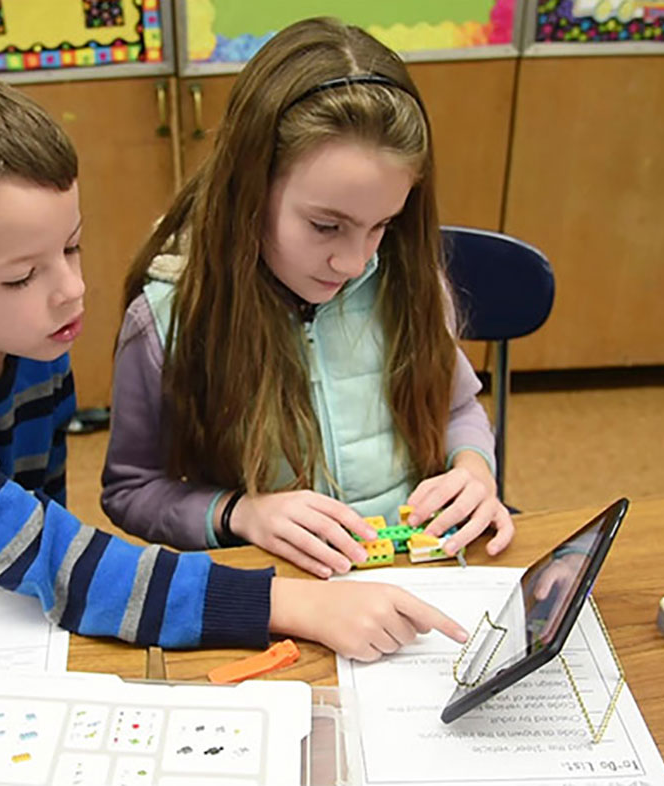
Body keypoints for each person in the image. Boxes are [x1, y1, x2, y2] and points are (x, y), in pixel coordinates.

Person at [0, 65, 466, 661]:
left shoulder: (29, 344)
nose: (71, 290)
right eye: (23, 274)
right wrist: (290, 606)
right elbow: (60, 566)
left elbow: (40, 537)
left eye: (72, 247)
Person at [103, 18, 513, 583]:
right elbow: (131, 490)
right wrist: (240, 514)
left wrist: (473, 469)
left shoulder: (407, 280)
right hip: (276, 588)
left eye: (382, 226)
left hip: (420, 575)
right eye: (325, 226)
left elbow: (458, 408)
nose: (353, 262)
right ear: (251, 186)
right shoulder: (167, 319)